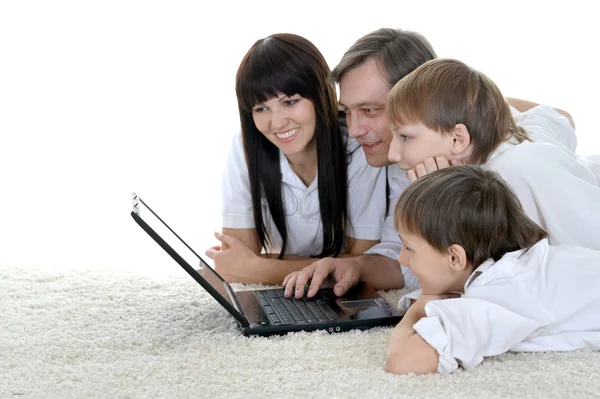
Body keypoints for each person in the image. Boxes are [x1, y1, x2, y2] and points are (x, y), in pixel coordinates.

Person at [282, 28, 582, 298]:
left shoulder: (507, 167)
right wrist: (356, 266)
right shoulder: (398, 153)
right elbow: (403, 259)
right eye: (347, 110)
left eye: (370, 110)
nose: (356, 128)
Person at [205, 33, 386, 285]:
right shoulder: (245, 147)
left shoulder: (357, 146)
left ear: (321, 96)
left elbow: (361, 259)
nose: (277, 122)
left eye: (290, 102)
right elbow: (237, 258)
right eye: (261, 108)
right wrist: (249, 265)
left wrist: (260, 267)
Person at [385, 165, 600, 375]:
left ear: (454, 257)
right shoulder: (518, 267)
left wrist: (419, 308)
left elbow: (403, 360)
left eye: (409, 248)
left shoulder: (500, 294)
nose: (402, 259)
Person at [386, 58, 600, 250]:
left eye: (405, 137)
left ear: (457, 139)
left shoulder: (516, 171)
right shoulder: (506, 129)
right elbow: (558, 119)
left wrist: (442, 201)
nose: (392, 154)